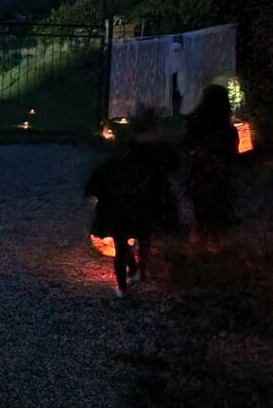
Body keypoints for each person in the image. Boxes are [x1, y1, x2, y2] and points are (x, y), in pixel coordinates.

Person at [86, 107, 179, 297]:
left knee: (123, 241)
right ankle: (138, 271)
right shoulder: (156, 152)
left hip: (122, 202)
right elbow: (171, 166)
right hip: (144, 200)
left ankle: (124, 284)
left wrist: (97, 191)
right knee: (142, 236)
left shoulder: (125, 151)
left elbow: (105, 169)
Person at [184, 84, 239, 251]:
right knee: (216, 201)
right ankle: (212, 236)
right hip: (215, 169)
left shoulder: (196, 121)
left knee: (201, 201)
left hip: (201, 168)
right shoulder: (227, 128)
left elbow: (187, 143)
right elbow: (234, 151)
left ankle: (200, 230)